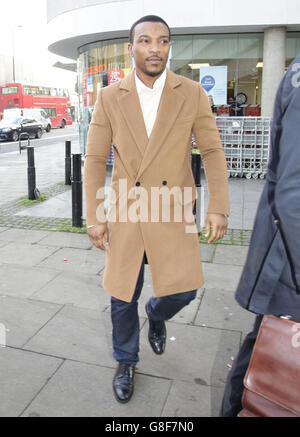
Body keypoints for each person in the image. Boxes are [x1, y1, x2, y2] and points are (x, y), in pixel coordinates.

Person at [84, 15, 229, 404]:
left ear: (169, 48)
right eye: (145, 41)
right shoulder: (111, 97)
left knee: (184, 289)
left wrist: (219, 206)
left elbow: (212, 151)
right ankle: (126, 360)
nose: (155, 48)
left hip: (172, 208)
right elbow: (96, 159)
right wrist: (95, 217)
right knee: (121, 295)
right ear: (131, 49)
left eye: (163, 41)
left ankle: (158, 312)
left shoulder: (193, 92)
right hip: (128, 210)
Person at [220, 53, 300, 417]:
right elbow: (293, 195)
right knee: (269, 370)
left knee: (264, 359)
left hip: (286, 261)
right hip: (290, 263)